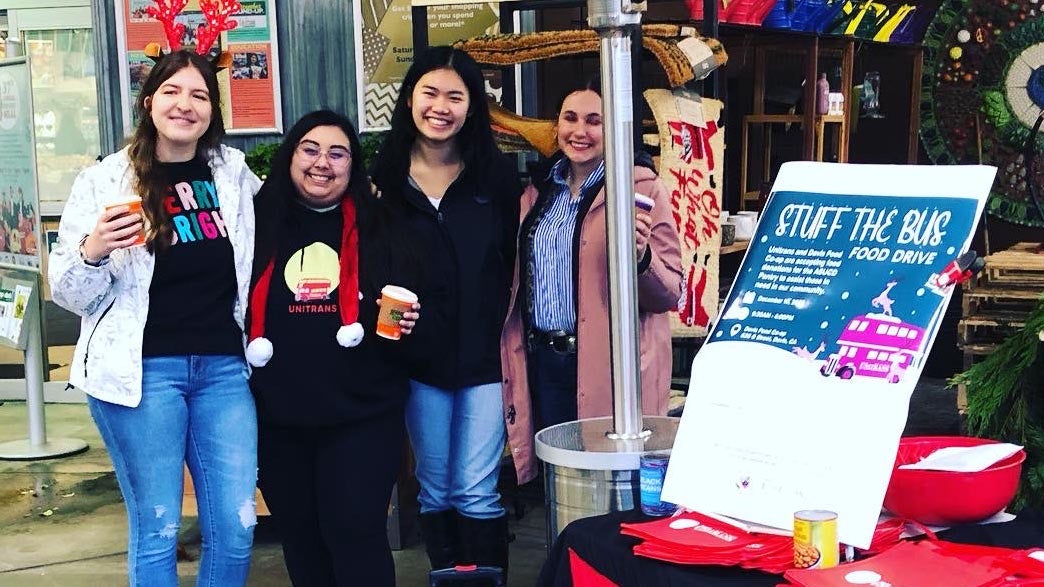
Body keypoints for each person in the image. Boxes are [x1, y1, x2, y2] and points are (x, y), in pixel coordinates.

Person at [48, 49, 261, 586]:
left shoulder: (233, 175)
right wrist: (93, 249)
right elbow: (68, 293)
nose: (185, 105)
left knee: (236, 527)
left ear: (212, 111)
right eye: (172, 91)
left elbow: (286, 226)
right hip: (141, 377)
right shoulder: (105, 180)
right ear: (149, 102)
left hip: (223, 372)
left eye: (199, 95)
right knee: (158, 528)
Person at [246, 109, 421, 587]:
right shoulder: (256, 221)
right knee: (301, 537)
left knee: (355, 532)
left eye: (337, 153)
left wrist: (408, 321)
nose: (322, 162)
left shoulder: (382, 222)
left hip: (362, 415)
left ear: (353, 166)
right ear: (290, 157)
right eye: (310, 149)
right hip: (278, 419)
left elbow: (409, 295)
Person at [370, 46, 520, 578]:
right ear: (409, 98)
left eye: (455, 96)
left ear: (473, 105)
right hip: (418, 363)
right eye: (429, 93)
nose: (441, 107)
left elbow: (517, 262)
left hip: (486, 360)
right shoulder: (382, 181)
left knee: (476, 489)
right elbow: (367, 268)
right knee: (435, 489)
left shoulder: (495, 180)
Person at [500, 77, 684, 486]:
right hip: (544, 364)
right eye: (570, 118)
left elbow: (670, 290)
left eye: (594, 121)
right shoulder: (538, 193)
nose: (579, 131)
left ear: (615, 128)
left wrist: (641, 258)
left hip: (610, 368)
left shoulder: (640, 187)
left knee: (608, 484)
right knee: (560, 483)